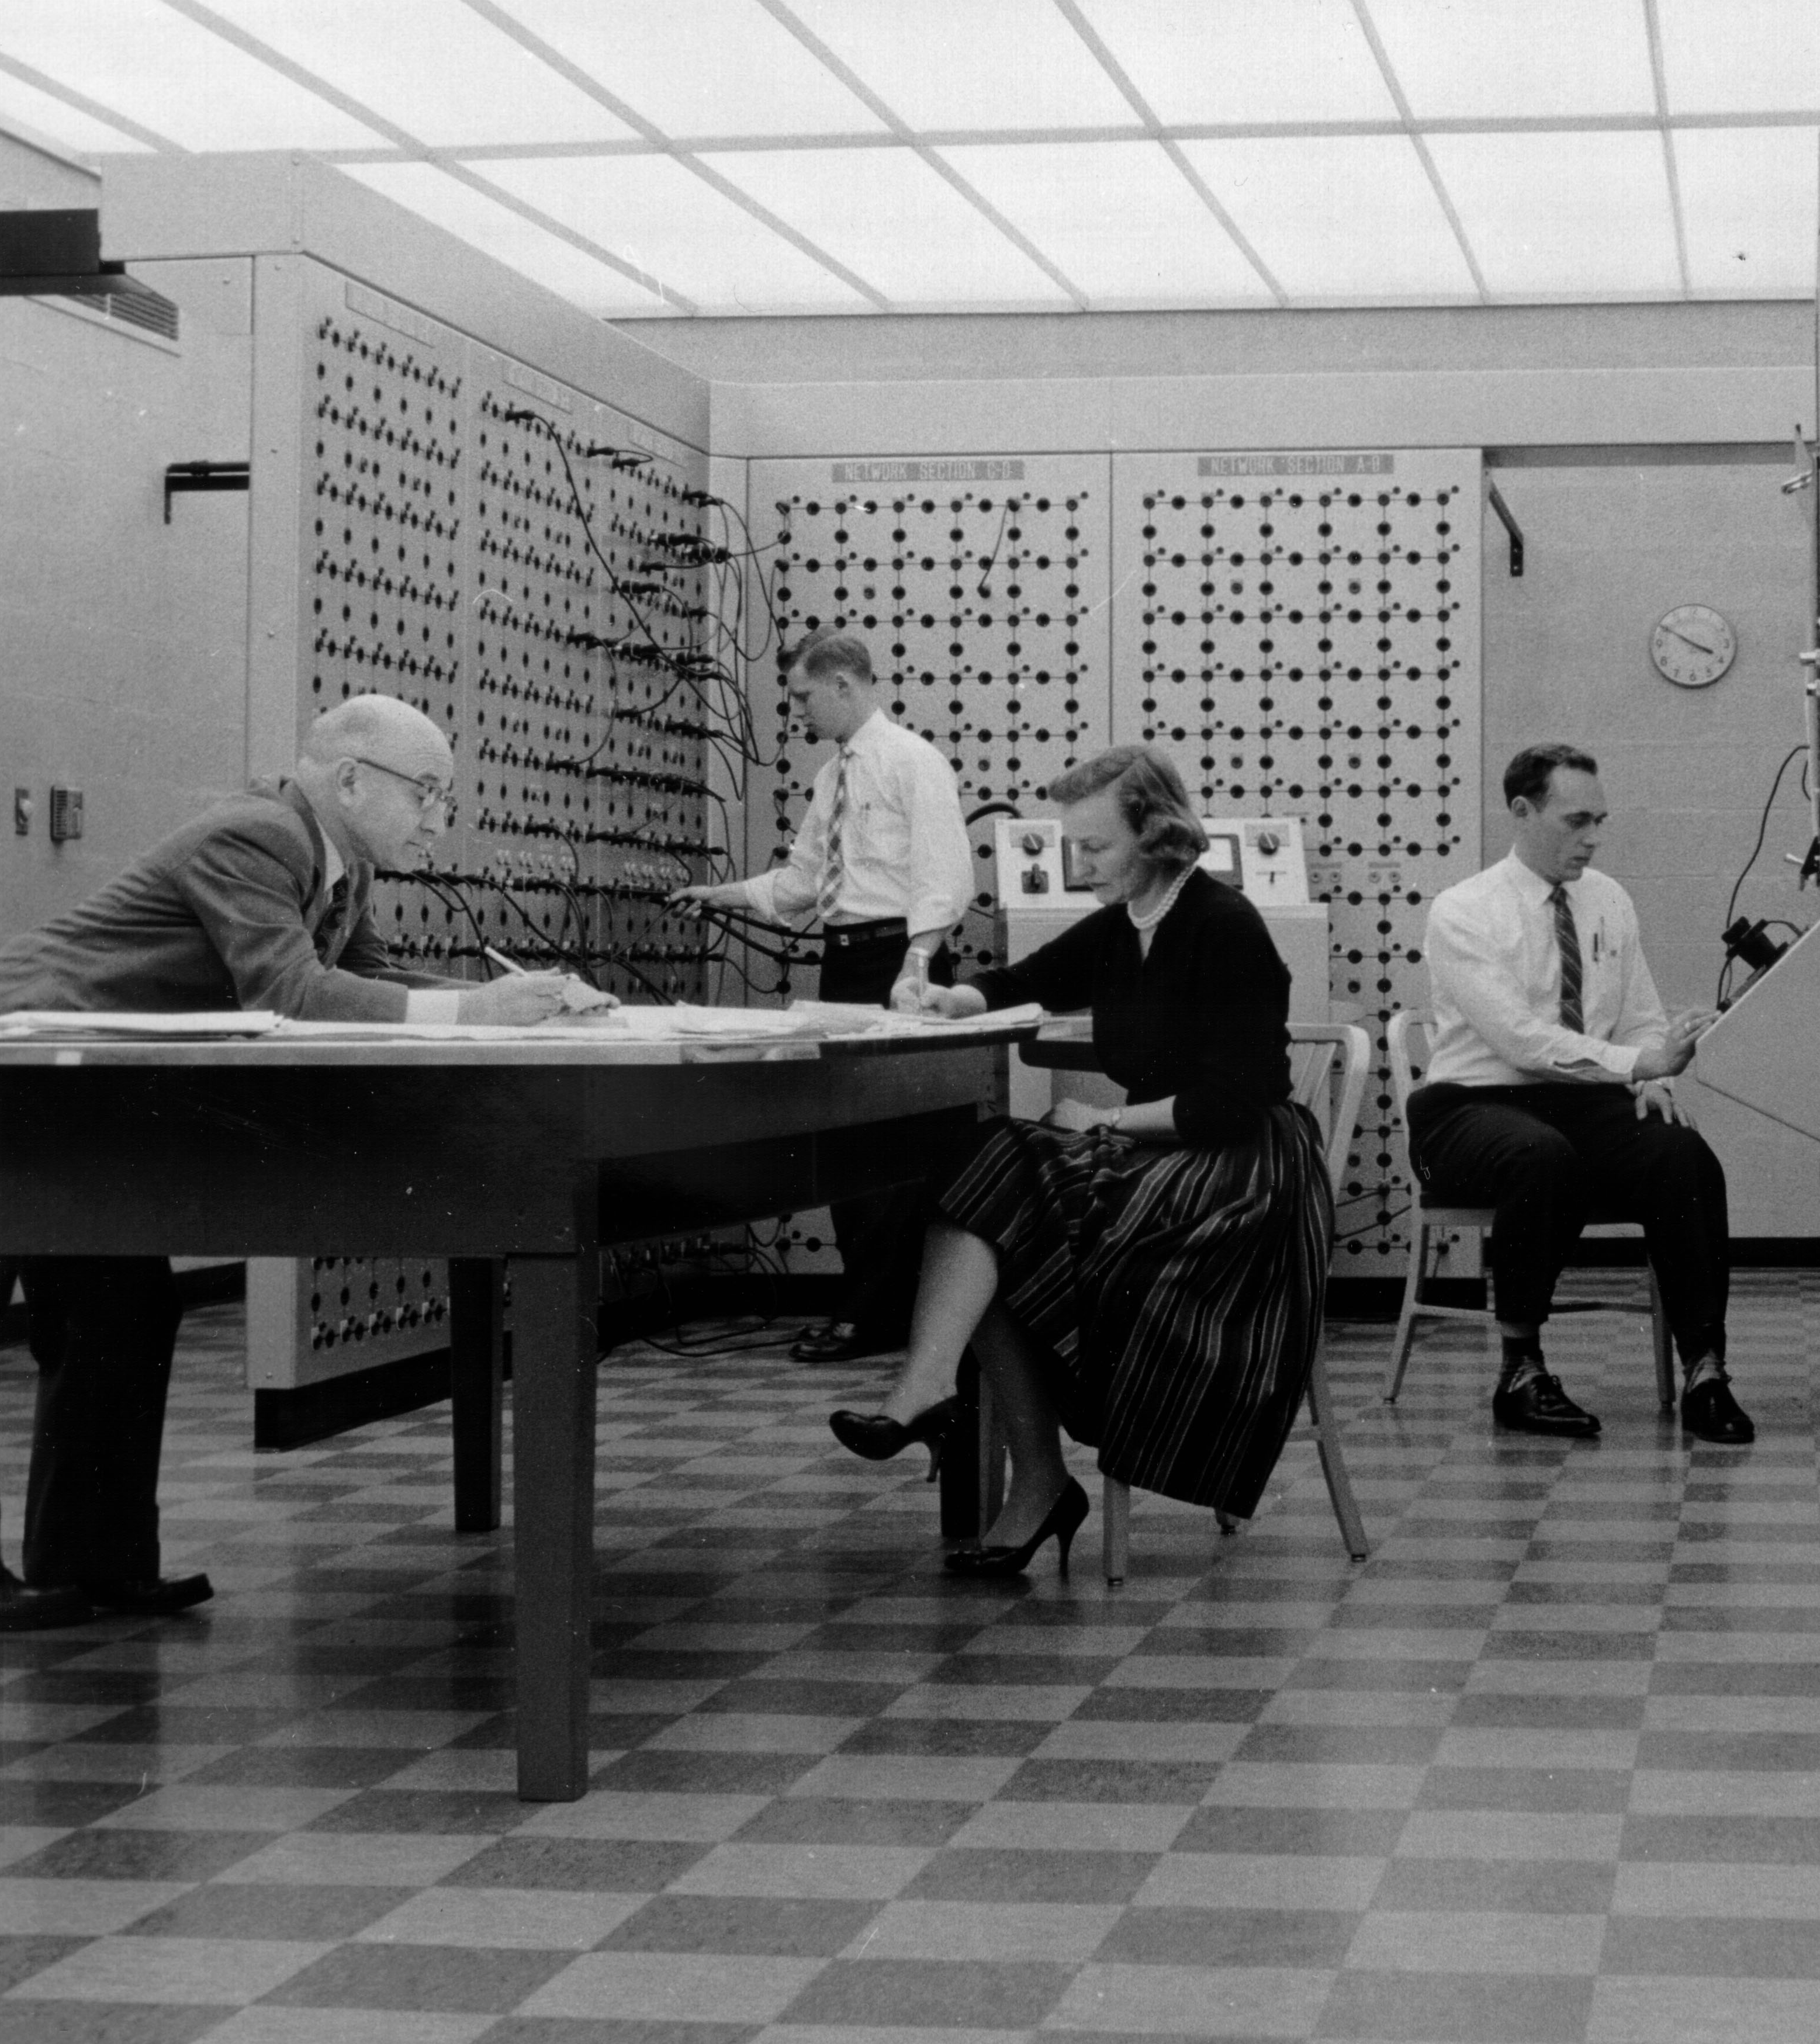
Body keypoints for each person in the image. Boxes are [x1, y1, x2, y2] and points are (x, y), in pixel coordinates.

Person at [0, 693, 609, 1634]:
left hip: (82, 1098)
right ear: (351, 780)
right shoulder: (259, 835)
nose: (438, 817)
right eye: (426, 793)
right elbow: (295, 993)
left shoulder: (337, 865)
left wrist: (534, 999)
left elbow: (374, 982)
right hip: (0, 1077)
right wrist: (482, 1015)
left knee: (123, 1311)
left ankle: (96, 1567)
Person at [829, 743, 1330, 1576]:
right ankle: (967, 1423)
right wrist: (948, 996)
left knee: (996, 1190)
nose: (1077, 864)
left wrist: (1105, 1123)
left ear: (1156, 836)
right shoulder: (1122, 923)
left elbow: (1230, 1104)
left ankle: (982, 1438)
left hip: (1240, 1174)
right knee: (988, 1190)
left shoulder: (1222, 924)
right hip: (1160, 1154)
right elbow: (1024, 979)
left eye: (1093, 848)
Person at [1411, 740, 1753, 1447]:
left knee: (1682, 1156)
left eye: (1599, 820)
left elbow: (1639, 1014)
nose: (1592, 838)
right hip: (1471, 1107)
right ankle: (1519, 1369)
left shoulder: (1608, 900)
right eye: (1575, 821)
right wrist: (1637, 1060)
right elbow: (1519, 1041)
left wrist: (1655, 1076)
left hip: (1581, 1104)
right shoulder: (1462, 910)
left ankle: (1705, 1371)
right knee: (1540, 1158)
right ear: (1521, 811)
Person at [673, 630, 975, 1364]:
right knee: (850, 1145)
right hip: (846, 964)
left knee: (894, 1146)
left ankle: (874, 1315)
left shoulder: (912, 762)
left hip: (900, 964)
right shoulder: (833, 778)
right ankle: (872, 1308)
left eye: (804, 694)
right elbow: (804, 880)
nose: (798, 710)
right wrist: (725, 895)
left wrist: (918, 965)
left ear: (845, 684)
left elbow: (945, 875)